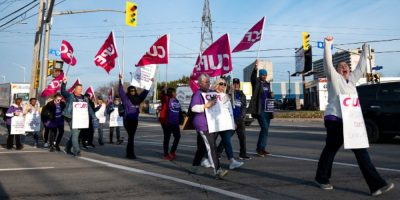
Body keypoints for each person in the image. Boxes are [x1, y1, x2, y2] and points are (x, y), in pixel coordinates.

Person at [315, 36, 394, 196]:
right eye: (340, 66)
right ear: (336, 71)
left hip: (350, 121)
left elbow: (361, 67)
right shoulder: (334, 79)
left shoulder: (351, 82)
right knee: (331, 149)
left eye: (346, 66)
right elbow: (327, 63)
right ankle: (322, 178)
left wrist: (365, 51)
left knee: (360, 151)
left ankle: (376, 185)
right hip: (334, 119)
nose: (343, 66)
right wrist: (328, 44)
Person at [190, 73, 228, 179]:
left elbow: (222, 101)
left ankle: (194, 166)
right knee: (212, 146)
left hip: (211, 123)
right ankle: (217, 171)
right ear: (200, 83)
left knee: (202, 147)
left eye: (209, 81)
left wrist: (226, 94)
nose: (208, 83)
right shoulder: (197, 94)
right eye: (206, 82)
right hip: (203, 124)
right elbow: (194, 108)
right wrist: (206, 105)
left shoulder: (211, 92)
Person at [61, 76, 97, 157]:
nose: (80, 90)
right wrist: (64, 83)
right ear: (75, 89)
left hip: (80, 119)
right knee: (75, 134)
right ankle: (77, 151)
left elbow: (89, 108)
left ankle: (67, 148)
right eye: (79, 89)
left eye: (81, 89)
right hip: (71, 117)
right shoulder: (70, 96)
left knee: (75, 134)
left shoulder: (84, 98)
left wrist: (93, 116)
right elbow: (63, 91)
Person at [213, 78, 244, 170]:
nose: (223, 86)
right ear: (216, 84)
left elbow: (229, 110)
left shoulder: (224, 95)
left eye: (224, 84)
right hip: (215, 123)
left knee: (227, 141)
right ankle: (206, 159)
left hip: (225, 124)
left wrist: (232, 121)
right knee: (210, 142)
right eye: (221, 84)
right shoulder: (212, 94)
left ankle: (232, 161)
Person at [118, 74, 149, 159]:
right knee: (131, 137)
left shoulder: (138, 99)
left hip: (135, 120)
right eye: (131, 91)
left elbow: (145, 92)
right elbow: (120, 91)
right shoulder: (126, 99)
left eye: (133, 91)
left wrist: (150, 82)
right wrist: (120, 80)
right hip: (127, 120)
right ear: (128, 91)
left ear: (135, 91)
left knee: (131, 137)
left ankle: (129, 153)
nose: (132, 92)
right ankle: (130, 154)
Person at [248, 61, 273, 157]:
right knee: (264, 128)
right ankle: (259, 149)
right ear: (260, 75)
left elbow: (268, 95)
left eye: (265, 75)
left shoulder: (267, 84)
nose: (264, 76)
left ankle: (262, 148)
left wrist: (271, 95)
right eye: (263, 75)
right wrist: (255, 69)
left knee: (266, 130)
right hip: (260, 109)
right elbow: (252, 78)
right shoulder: (256, 83)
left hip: (268, 110)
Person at [223, 78, 251, 160]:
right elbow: (224, 102)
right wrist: (230, 92)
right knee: (227, 137)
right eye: (234, 83)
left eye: (237, 83)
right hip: (231, 119)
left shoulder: (242, 94)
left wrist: (243, 115)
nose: (236, 85)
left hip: (240, 119)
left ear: (239, 84)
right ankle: (218, 153)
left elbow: (244, 106)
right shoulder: (230, 93)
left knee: (242, 138)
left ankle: (242, 154)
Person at [159, 87, 182, 161]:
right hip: (167, 122)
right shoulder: (166, 99)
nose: (175, 93)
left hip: (175, 122)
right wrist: (163, 90)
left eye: (175, 92)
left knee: (178, 136)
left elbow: (179, 110)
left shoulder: (176, 100)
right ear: (170, 93)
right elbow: (161, 96)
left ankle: (172, 151)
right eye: (174, 92)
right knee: (167, 137)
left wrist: (181, 118)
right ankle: (166, 154)